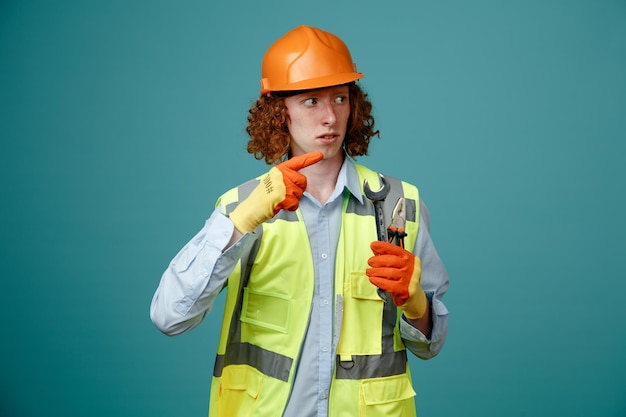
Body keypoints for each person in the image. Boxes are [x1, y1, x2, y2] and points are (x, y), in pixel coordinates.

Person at [150, 25, 449, 417]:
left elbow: (430, 345)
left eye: (339, 98)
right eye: (311, 101)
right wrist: (241, 224)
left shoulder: (400, 204)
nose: (329, 117)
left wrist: (416, 305)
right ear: (280, 112)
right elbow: (170, 316)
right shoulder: (241, 206)